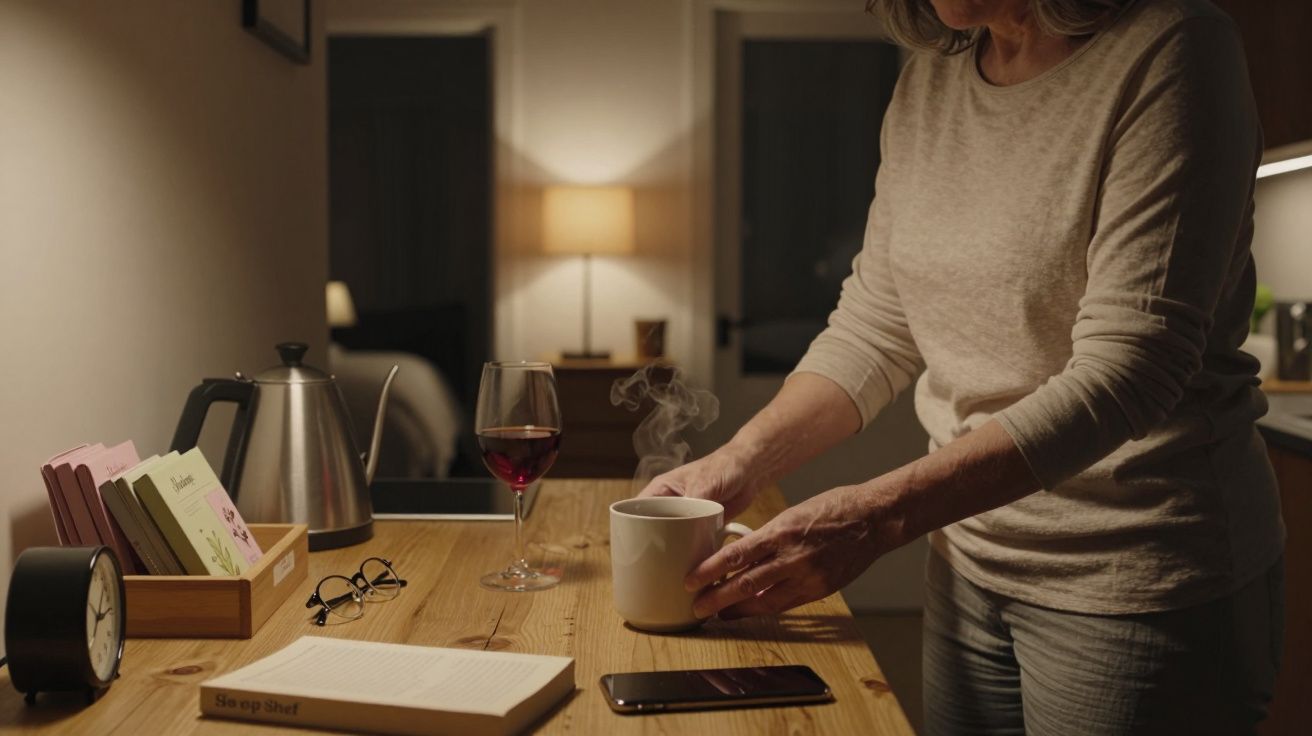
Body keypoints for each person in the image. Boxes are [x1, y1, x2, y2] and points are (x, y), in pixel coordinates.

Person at [637, 0, 1285, 732]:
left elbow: (1130, 369)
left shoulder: (1172, 47)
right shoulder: (931, 80)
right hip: (969, 559)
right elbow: (877, 326)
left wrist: (872, 519)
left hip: (1135, 577)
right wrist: (739, 462)